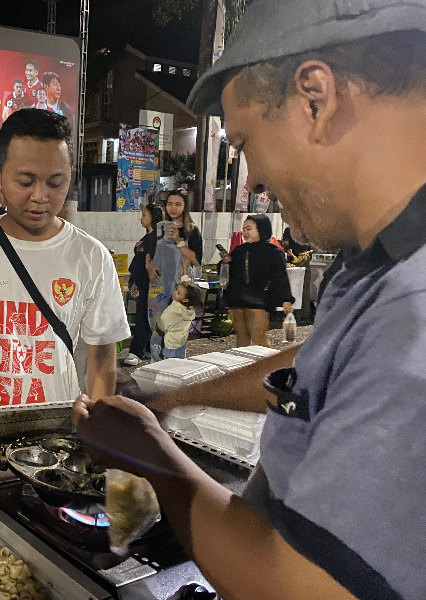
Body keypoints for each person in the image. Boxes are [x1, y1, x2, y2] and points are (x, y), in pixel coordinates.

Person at [74, 1, 426, 598]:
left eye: (245, 142)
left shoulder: (411, 313)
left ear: (315, 99)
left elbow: (293, 585)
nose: (254, 179)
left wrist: (156, 459)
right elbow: (314, 373)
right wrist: (176, 398)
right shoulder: (372, 263)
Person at [0, 109, 129, 452]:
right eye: (26, 181)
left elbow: (103, 357)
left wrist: (98, 435)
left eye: (54, 182)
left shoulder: (91, 257)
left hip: (57, 435)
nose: (40, 196)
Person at [223, 215, 294, 347]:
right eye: (243, 229)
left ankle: (270, 366)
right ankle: (243, 367)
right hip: (237, 300)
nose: (245, 232)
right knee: (241, 338)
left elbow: (280, 277)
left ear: (261, 229)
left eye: (249, 229)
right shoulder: (239, 250)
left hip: (260, 301)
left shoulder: (273, 251)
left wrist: (286, 299)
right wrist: (225, 263)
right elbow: (230, 274)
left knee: (259, 339)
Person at [125, 204, 164, 366]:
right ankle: (148, 348)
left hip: (153, 285)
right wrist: (134, 281)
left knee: (144, 317)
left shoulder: (157, 238)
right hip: (141, 282)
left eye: (144, 214)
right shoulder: (146, 238)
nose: (142, 218)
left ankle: (137, 351)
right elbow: (138, 263)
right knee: (144, 316)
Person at [157, 279, 203, 359]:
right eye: (176, 289)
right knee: (180, 362)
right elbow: (185, 282)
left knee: (168, 363)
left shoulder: (176, 308)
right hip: (182, 340)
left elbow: (164, 320)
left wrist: (158, 325)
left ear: (185, 299)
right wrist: (185, 270)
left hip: (171, 341)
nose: (175, 292)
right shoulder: (189, 308)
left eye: (178, 293)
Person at [161, 189, 203, 274]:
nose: (173, 208)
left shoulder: (191, 230)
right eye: (170, 204)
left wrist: (178, 241)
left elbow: (196, 262)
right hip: (161, 281)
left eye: (178, 204)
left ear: (185, 207)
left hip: (182, 280)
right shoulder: (160, 227)